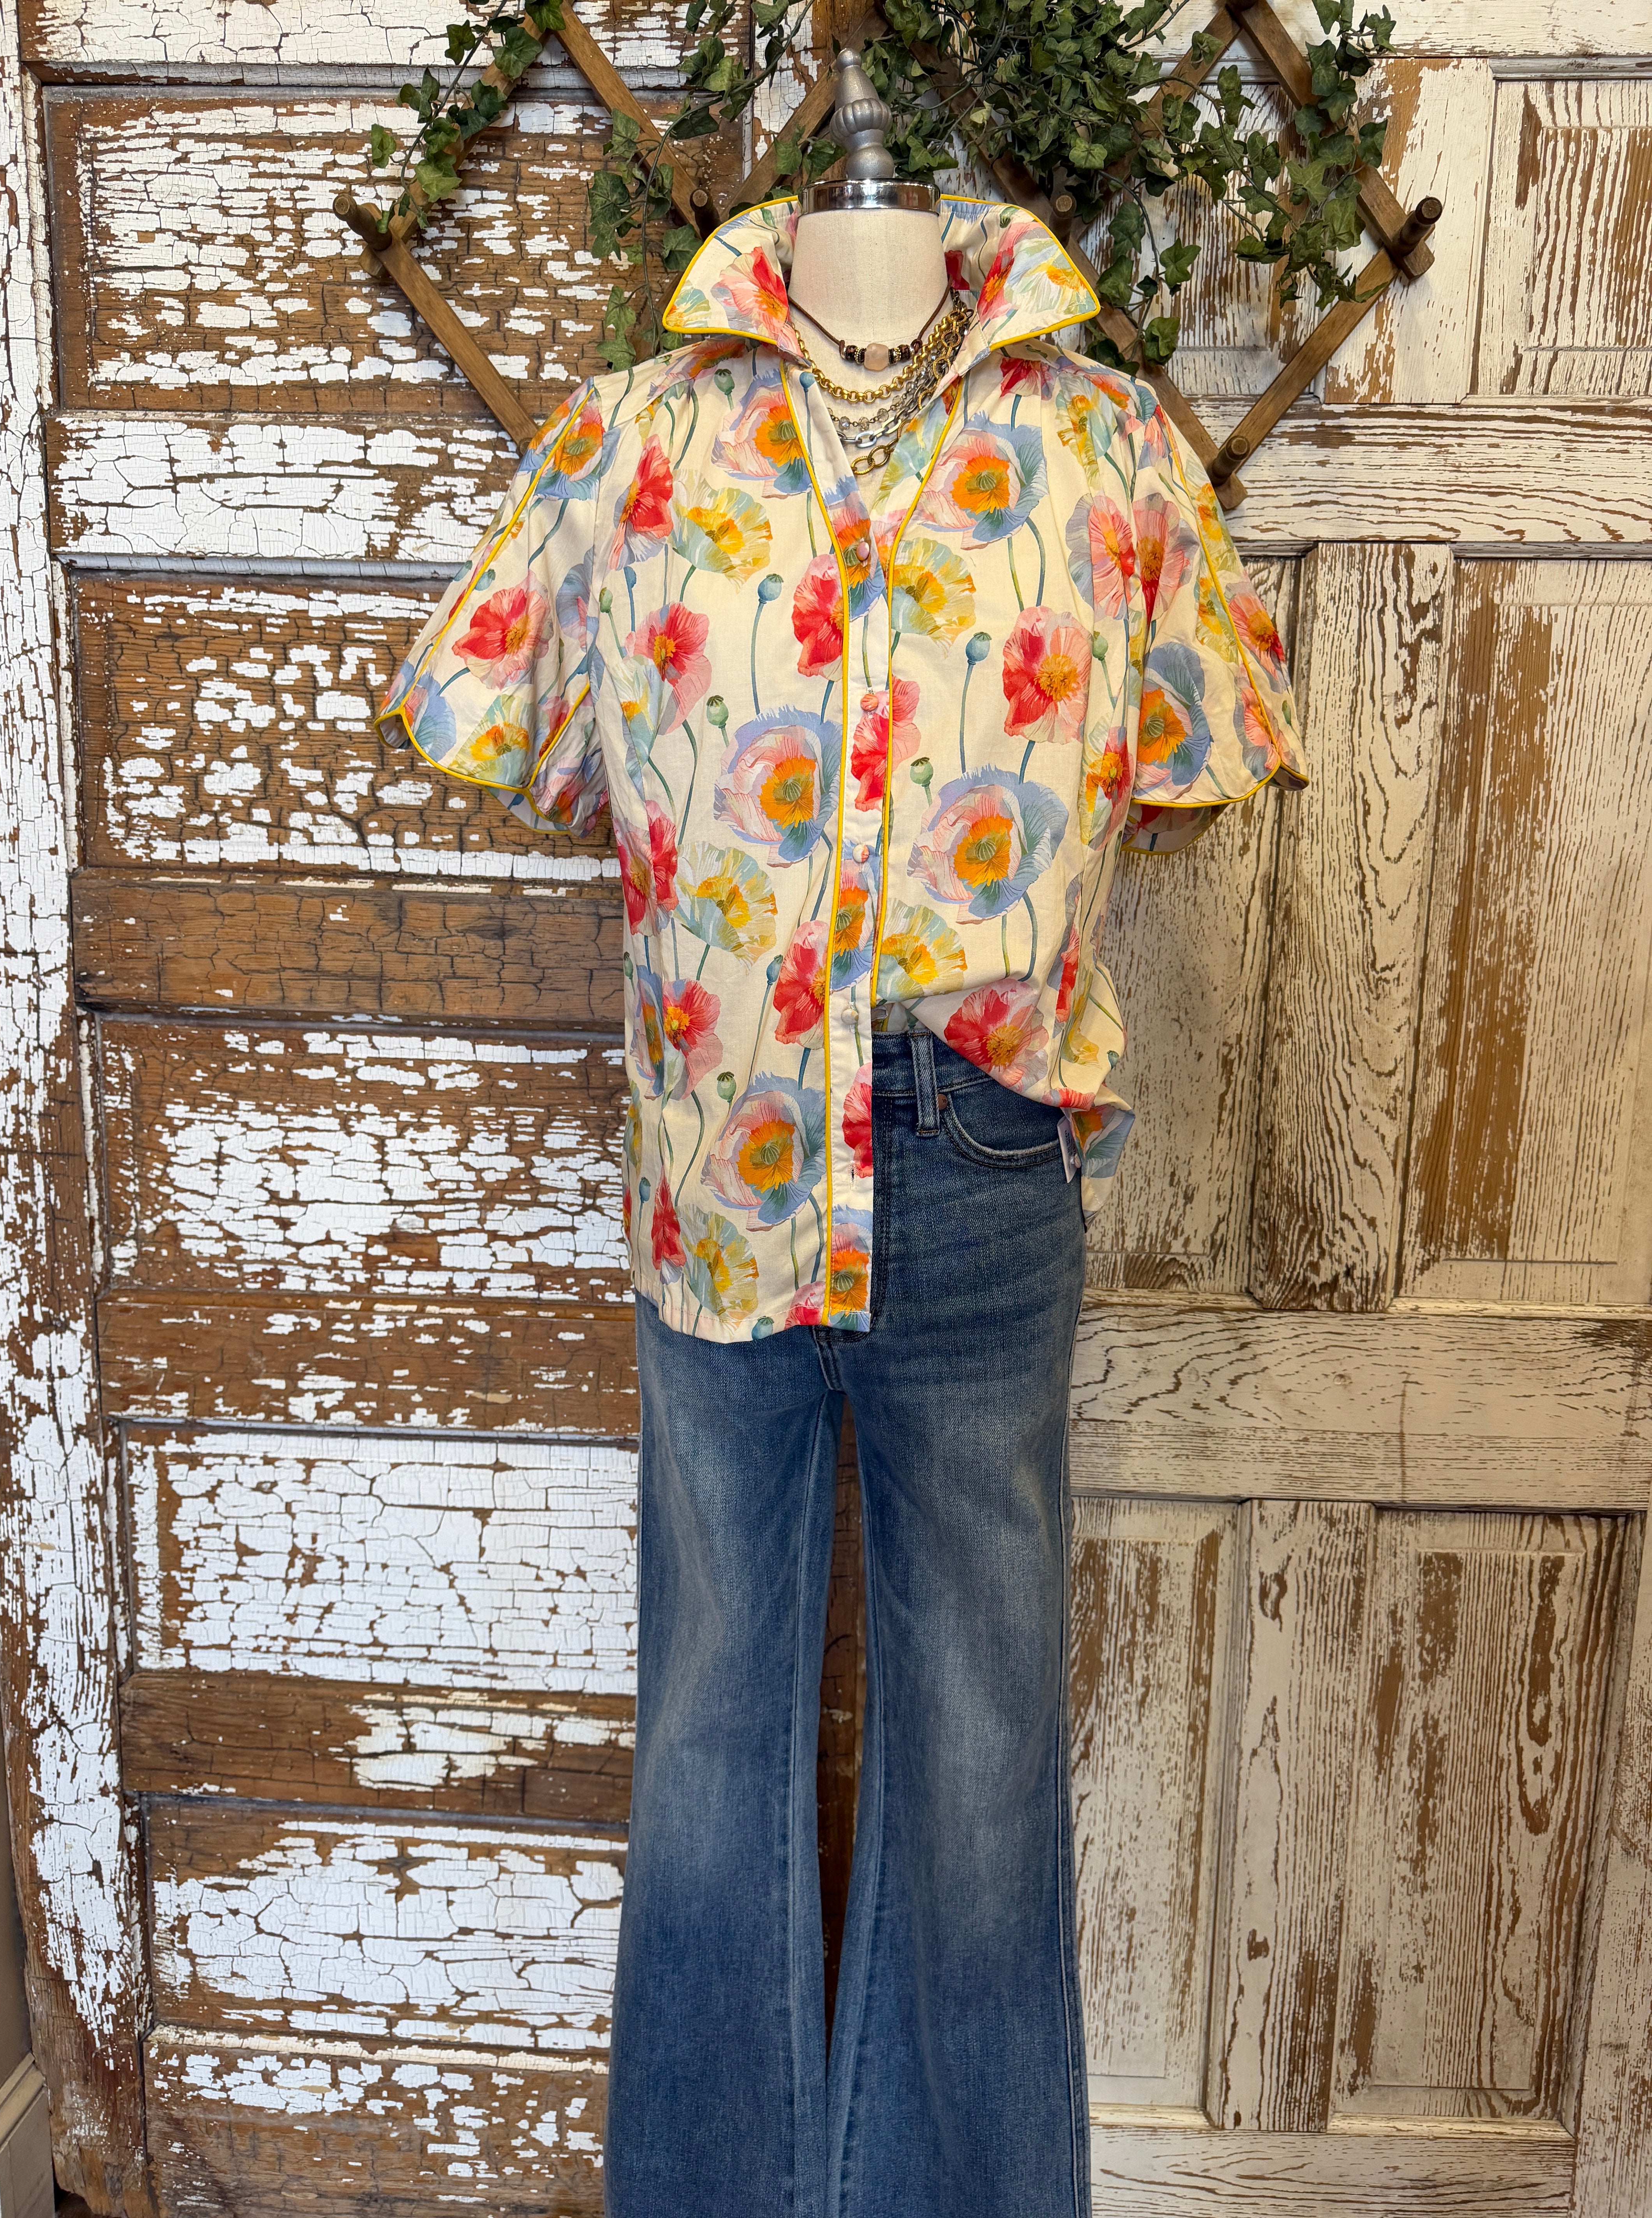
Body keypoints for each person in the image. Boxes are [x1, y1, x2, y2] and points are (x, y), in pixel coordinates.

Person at [378, 162, 1305, 2218]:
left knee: (979, 1750)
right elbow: (500, 715)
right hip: (724, 1161)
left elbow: (1197, 746)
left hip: (983, 1141)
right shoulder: (632, 446)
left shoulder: (1108, 447)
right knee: (713, 1730)